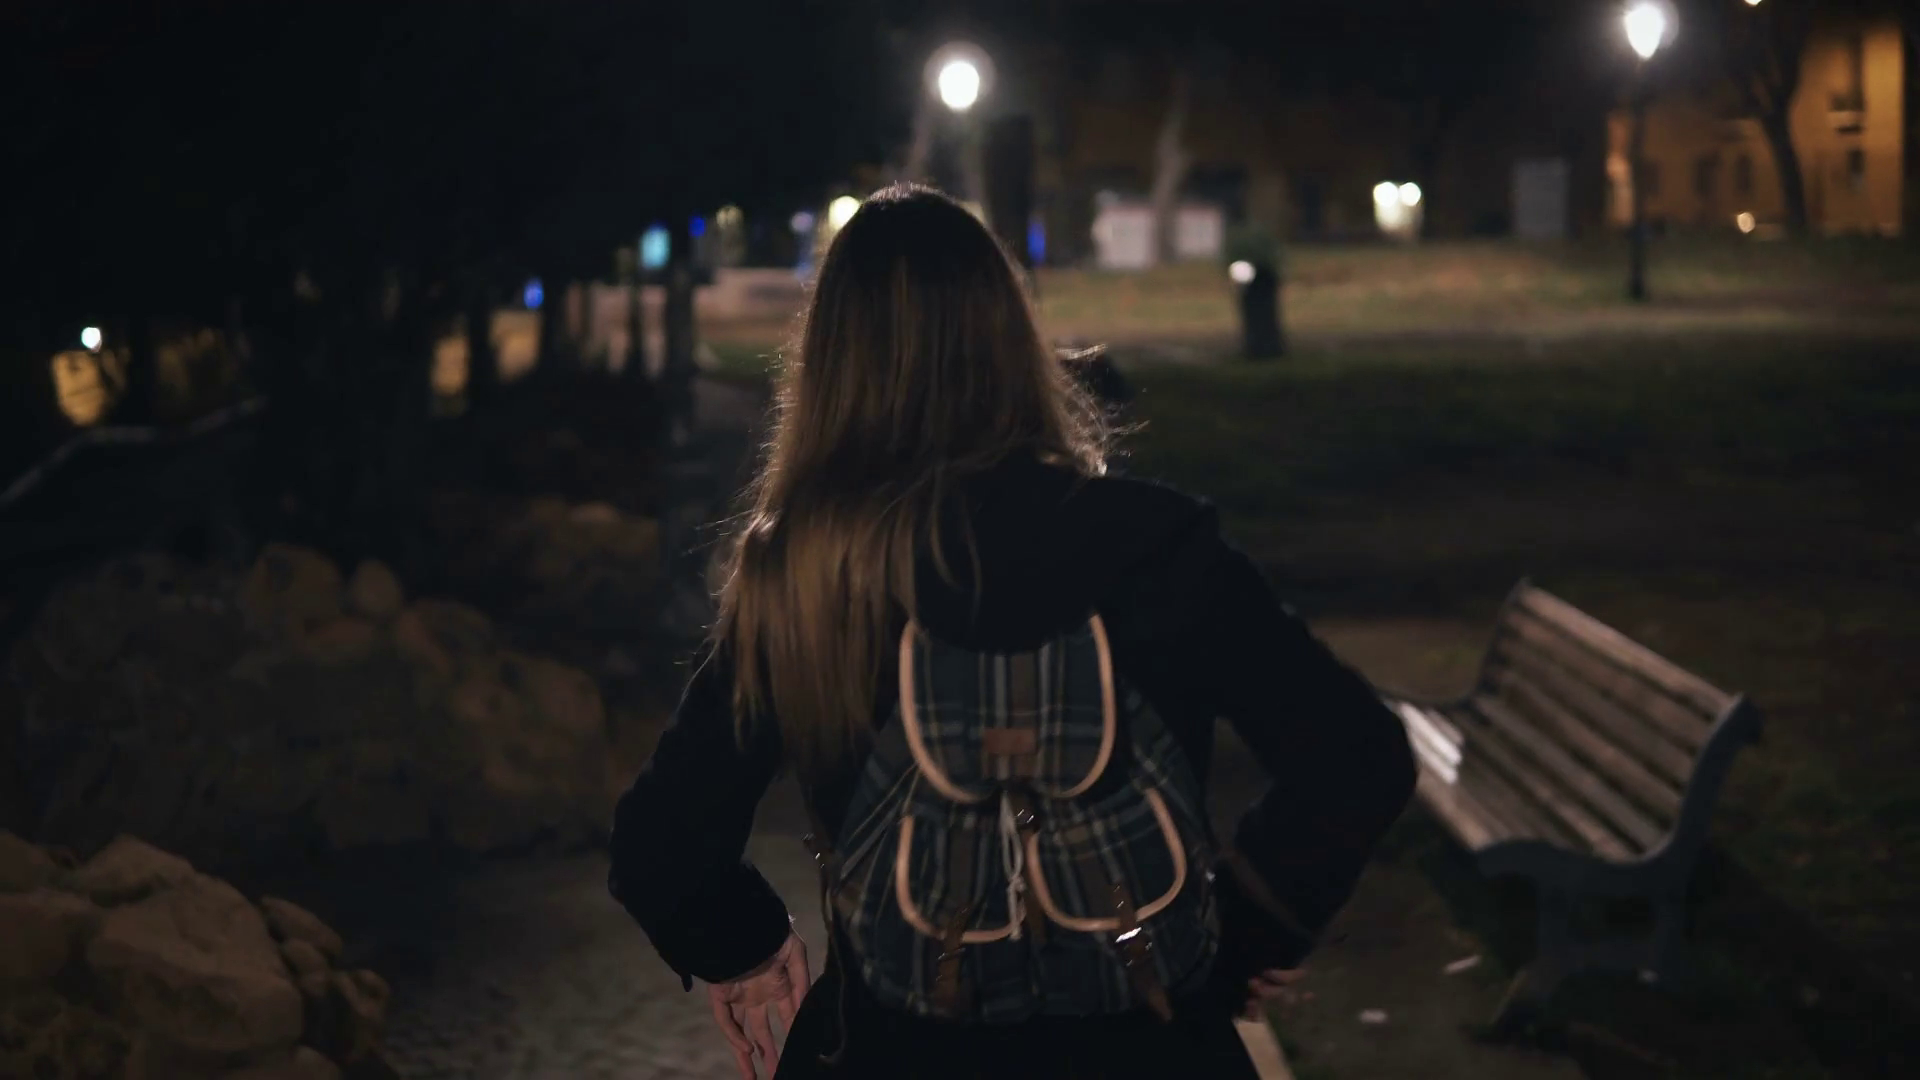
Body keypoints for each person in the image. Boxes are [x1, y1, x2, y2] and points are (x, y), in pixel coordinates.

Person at [608, 185, 1416, 1079]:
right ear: (1011, 340)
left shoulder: (804, 572)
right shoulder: (1157, 543)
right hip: (1146, 1045)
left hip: (891, 1050)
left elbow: (662, 842)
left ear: (830, 362)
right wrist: (1240, 940)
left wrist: (744, 948)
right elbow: (1358, 754)